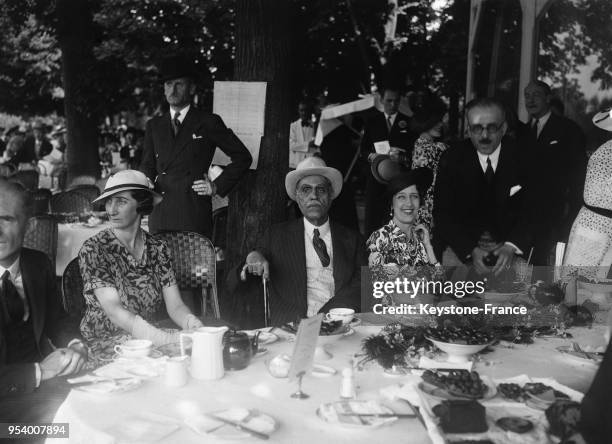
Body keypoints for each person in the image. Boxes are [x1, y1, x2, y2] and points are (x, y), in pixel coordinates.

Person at [78, 170, 203, 361]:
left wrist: (191, 323)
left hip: (147, 339)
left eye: (121, 201)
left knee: (198, 353)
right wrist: (163, 339)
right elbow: (114, 310)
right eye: (109, 201)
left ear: (142, 204)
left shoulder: (157, 248)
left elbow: (175, 305)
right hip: (107, 344)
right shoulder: (94, 249)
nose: (111, 210)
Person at [227, 157, 364, 325]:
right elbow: (234, 282)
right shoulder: (276, 235)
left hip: (338, 324)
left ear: (330, 196)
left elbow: (362, 285)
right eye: (306, 190)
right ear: (297, 197)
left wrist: (328, 315)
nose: (313, 195)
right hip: (292, 328)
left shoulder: (352, 238)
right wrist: (252, 260)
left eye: (320, 190)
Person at [140, 55, 252, 237]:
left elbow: (243, 157)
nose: (172, 90)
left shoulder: (208, 122)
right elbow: (147, 163)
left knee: (194, 266)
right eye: (168, 84)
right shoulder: (154, 125)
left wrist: (216, 187)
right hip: (160, 212)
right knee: (161, 265)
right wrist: (146, 182)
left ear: (191, 88)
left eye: (179, 84)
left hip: (192, 213)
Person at [0, 179, 87, 399]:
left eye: (6, 219)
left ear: (29, 226)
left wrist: (75, 345)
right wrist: (40, 371)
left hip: (45, 389)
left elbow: (56, 320)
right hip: (6, 408)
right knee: (62, 432)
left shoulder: (37, 264)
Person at [433, 97, 536, 275]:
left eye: (492, 128)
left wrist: (511, 246)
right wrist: (470, 249)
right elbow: (442, 213)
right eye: (477, 128)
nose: (485, 136)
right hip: (460, 251)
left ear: (503, 129)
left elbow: (535, 208)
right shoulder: (452, 158)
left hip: (509, 253)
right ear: (468, 130)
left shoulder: (525, 158)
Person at [522, 80, 587, 266]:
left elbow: (578, 174)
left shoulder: (568, 130)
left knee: (550, 268)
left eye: (536, 95)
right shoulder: (523, 133)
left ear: (548, 98)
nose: (530, 100)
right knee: (528, 268)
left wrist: (571, 209)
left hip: (557, 214)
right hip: (527, 217)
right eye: (527, 95)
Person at [361, 86, 418, 235]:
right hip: (376, 176)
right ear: (381, 100)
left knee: (396, 219)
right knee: (372, 218)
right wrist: (371, 156)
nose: (392, 104)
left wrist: (403, 158)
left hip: (399, 179)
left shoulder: (408, 122)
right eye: (389, 101)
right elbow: (363, 149)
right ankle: (370, 252)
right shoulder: (372, 121)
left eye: (396, 101)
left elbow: (415, 153)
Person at [367, 168, 438, 267]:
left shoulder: (419, 237)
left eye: (414, 196)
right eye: (401, 197)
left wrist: (428, 246)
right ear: (391, 204)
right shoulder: (380, 238)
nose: (409, 203)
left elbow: (439, 281)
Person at [409, 92, 448, 231]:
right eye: (436, 121)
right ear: (426, 121)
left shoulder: (420, 144)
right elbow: (428, 186)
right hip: (428, 212)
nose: (440, 124)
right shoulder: (432, 148)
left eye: (440, 120)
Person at [289, 100, 317, 169]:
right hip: (295, 164)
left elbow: (317, 144)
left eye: (306, 110)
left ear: (309, 111)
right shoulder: (293, 126)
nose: (304, 113)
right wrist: (308, 144)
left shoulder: (314, 126)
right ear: (298, 111)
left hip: (310, 164)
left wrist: (317, 151)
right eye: (301, 110)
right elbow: (292, 145)